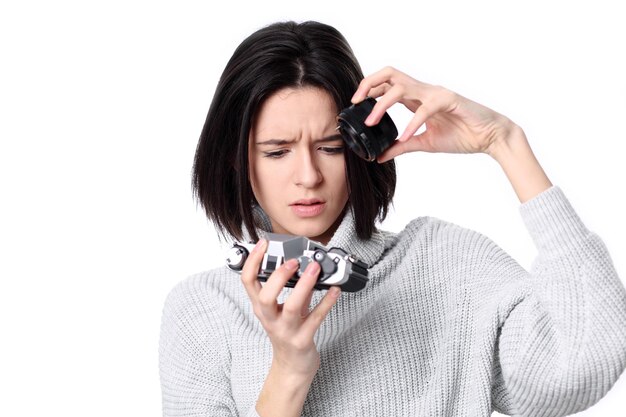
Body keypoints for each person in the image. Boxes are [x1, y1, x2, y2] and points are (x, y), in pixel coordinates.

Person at [159, 20, 626, 417]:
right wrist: (288, 370)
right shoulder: (202, 310)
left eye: (330, 148)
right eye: (277, 152)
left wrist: (504, 142)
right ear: (237, 160)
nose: (308, 176)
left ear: (365, 146)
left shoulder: (446, 264)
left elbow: (583, 364)